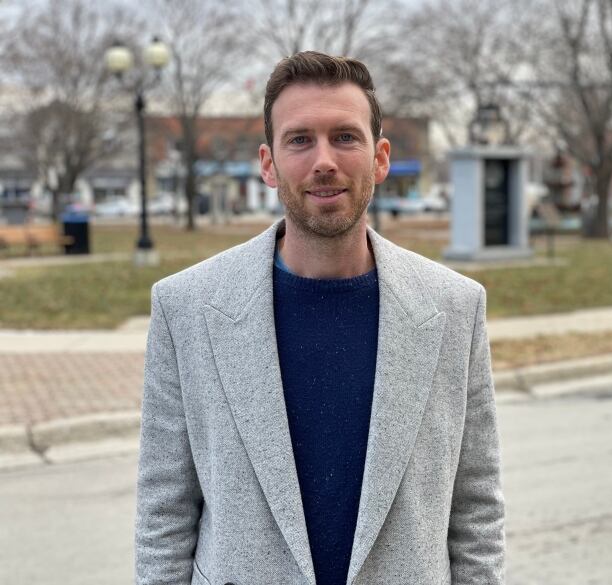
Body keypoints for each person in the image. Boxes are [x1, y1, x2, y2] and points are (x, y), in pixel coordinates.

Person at [135, 51, 504, 585]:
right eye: (300, 139)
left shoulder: (454, 307)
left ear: (380, 158)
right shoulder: (186, 306)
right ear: (268, 163)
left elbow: (476, 510)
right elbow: (163, 514)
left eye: (345, 137)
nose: (324, 160)